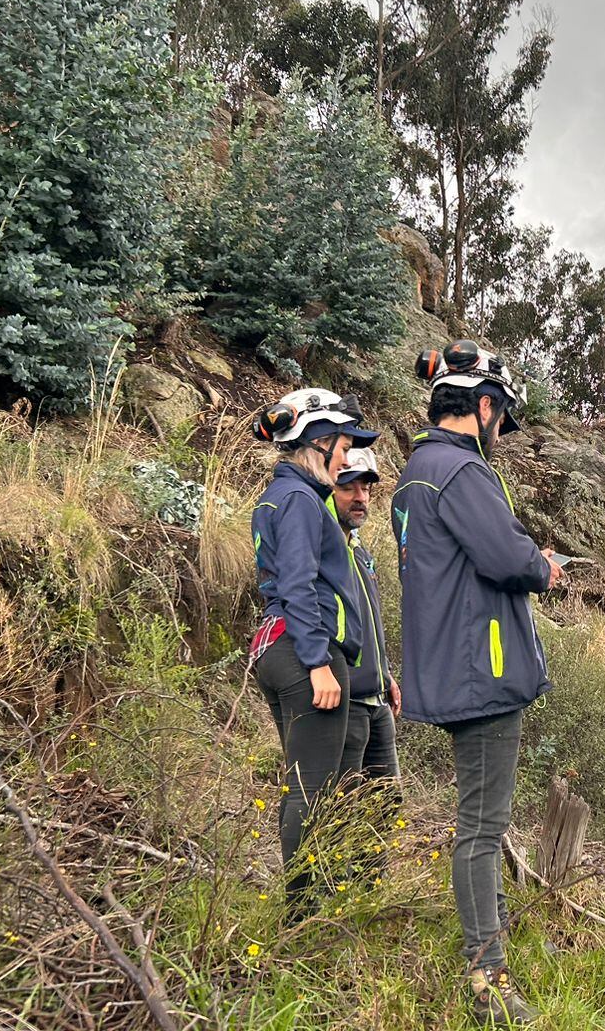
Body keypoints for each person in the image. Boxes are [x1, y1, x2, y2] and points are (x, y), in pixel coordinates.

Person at [391, 340, 562, 1027]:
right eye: (502, 416)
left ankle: (488, 951)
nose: (502, 432)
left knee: (480, 827)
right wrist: (543, 566)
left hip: (458, 666)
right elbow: (503, 555)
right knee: (482, 830)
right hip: (482, 673)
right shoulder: (459, 470)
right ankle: (485, 976)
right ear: (483, 405)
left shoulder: (416, 470)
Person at [250, 386, 380, 914]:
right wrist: (319, 662)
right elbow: (300, 585)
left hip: (276, 649)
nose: (348, 458)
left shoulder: (278, 494)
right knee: (312, 792)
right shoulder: (303, 499)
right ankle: (304, 916)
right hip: (305, 653)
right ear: (320, 442)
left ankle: (314, 901)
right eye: (344, 446)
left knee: (304, 783)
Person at [332, 446, 400, 782]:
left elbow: (368, 622)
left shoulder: (360, 551)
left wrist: (385, 674)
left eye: (367, 488)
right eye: (348, 488)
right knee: (339, 812)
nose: (360, 497)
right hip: (346, 705)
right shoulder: (321, 551)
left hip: (377, 702)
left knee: (388, 809)